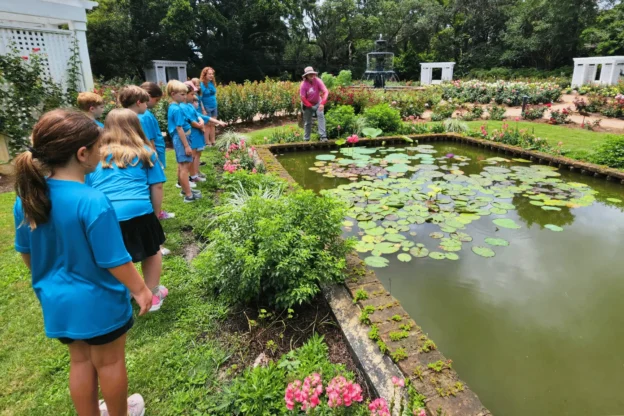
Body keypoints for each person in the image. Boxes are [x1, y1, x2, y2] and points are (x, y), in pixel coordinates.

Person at [13, 109, 152, 416]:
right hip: (99, 303)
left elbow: (26, 252)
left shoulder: (26, 199)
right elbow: (114, 260)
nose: (103, 151)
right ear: (82, 153)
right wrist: (141, 290)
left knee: (80, 361)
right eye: (100, 145)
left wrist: (49, 277)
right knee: (110, 362)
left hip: (58, 303)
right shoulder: (92, 201)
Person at [86, 108, 169, 313]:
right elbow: (157, 186)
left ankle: (125, 294)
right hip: (139, 211)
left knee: (116, 255)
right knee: (152, 251)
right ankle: (152, 295)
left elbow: (87, 188)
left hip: (104, 214)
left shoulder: (95, 156)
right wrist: (155, 214)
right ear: (136, 126)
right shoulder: (145, 152)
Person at [139, 82, 176, 223]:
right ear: (148, 96)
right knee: (155, 185)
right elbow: (150, 140)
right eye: (156, 100)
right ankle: (156, 214)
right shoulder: (145, 116)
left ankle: (156, 212)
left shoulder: (143, 114)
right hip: (153, 156)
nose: (157, 103)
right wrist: (156, 159)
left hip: (153, 154)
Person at [182, 81, 227, 185]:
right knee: (191, 158)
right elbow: (192, 121)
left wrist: (218, 122)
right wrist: (201, 125)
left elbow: (200, 116)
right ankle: (189, 179)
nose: (194, 97)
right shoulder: (183, 107)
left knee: (196, 156)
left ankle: (194, 176)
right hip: (192, 134)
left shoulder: (189, 106)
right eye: (192, 94)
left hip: (197, 134)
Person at [167, 80, 201, 202]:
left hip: (183, 138)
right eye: (182, 94)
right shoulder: (176, 109)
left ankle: (186, 189)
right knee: (184, 167)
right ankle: (188, 195)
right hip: (182, 140)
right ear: (173, 94)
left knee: (183, 166)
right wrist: (186, 146)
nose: (185, 96)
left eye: (185, 94)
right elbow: (179, 127)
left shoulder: (175, 107)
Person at [300, 66, 329, 142]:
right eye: (309, 74)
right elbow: (302, 97)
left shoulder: (318, 81)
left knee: (321, 116)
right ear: (306, 76)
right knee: (307, 122)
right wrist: (309, 106)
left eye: (312, 73)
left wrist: (322, 103)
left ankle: (323, 137)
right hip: (307, 104)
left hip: (318, 102)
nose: (311, 75)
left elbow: (325, 91)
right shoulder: (303, 84)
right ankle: (306, 139)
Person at [199, 67, 218, 147]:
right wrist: (203, 109)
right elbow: (200, 98)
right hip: (206, 107)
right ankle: (207, 142)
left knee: (213, 124)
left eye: (212, 74)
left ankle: (213, 141)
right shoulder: (201, 84)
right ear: (204, 74)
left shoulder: (211, 83)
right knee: (207, 125)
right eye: (209, 74)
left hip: (214, 106)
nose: (211, 75)